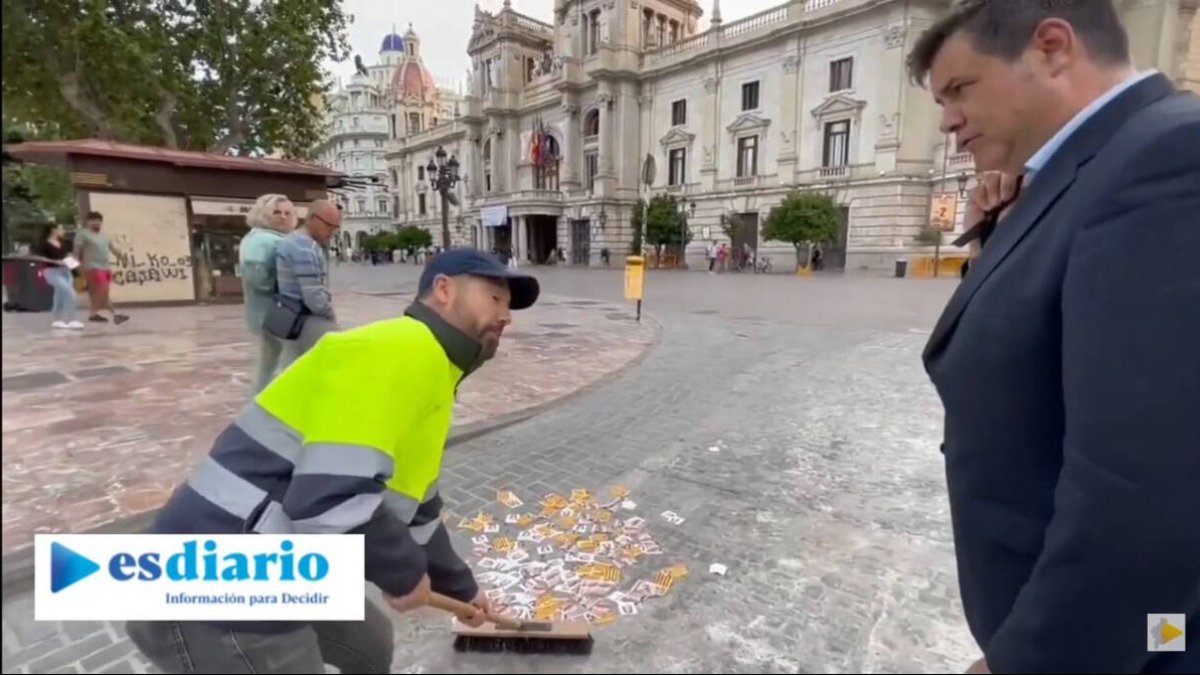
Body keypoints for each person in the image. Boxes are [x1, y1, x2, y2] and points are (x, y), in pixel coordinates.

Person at [908, 1, 1200, 672]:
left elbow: (1141, 486)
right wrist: (999, 232)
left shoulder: (1166, 159)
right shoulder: (1088, 169)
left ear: (1052, 48)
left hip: (1132, 646)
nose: (948, 121)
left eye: (959, 89)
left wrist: (1034, 660)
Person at [125, 249, 541, 673]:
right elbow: (328, 499)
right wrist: (402, 573)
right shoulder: (400, 349)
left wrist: (462, 588)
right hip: (216, 576)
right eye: (494, 298)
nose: (505, 316)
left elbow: (420, 510)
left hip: (282, 557)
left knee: (369, 645)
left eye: (508, 306)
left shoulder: (434, 371)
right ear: (443, 290)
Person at [239, 194, 297, 393]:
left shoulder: (260, 237)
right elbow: (255, 276)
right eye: (276, 212)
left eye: (287, 212)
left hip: (268, 313)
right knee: (292, 360)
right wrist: (284, 288)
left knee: (268, 362)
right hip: (276, 312)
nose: (282, 217)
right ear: (264, 214)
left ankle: (259, 403)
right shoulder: (264, 240)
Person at [274, 199, 340, 369]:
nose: (331, 232)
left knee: (291, 370)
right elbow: (313, 296)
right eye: (329, 226)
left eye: (335, 228)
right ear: (313, 218)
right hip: (307, 319)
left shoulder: (291, 240)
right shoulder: (305, 247)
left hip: (290, 317)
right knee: (337, 362)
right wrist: (330, 315)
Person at [72, 211, 129, 325]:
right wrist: (77, 267)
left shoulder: (104, 236)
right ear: (87, 222)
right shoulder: (83, 234)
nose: (95, 223)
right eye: (92, 220)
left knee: (98, 293)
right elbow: (76, 252)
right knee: (103, 291)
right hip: (92, 268)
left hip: (105, 267)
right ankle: (105, 313)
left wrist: (122, 257)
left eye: (98, 220)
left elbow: (113, 248)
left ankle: (101, 314)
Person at [30, 223, 83, 330]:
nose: (62, 230)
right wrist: (55, 261)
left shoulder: (63, 242)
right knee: (68, 292)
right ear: (53, 230)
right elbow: (38, 257)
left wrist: (71, 259)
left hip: (66, 270)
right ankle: (72, 319)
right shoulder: (43, 244)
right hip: (51, 271)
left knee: (59, 294)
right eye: (60, 228)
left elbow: (67, 254)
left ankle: (57, 319)